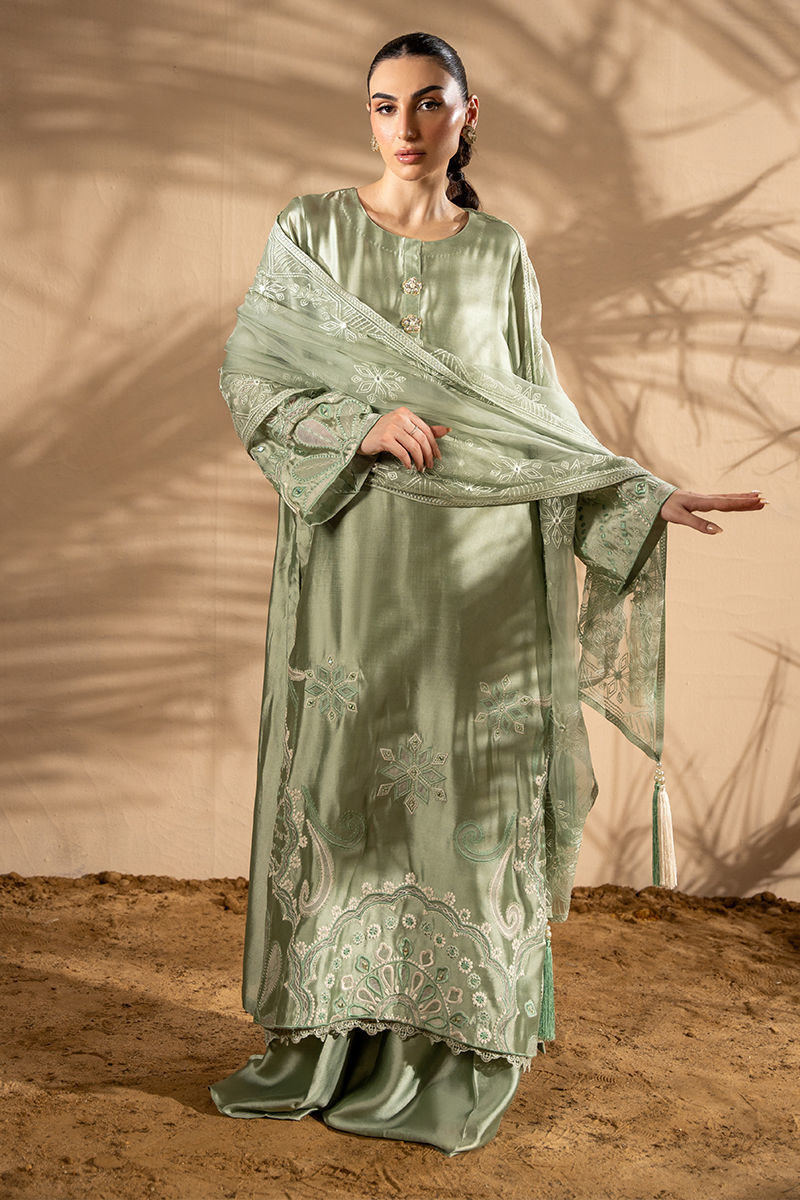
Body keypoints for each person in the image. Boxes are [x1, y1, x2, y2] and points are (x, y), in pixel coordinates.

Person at [208, 31, 766, 1155]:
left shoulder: (499, 252)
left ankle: (456, 1036)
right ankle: (331, 1028)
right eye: (383, 106)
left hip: (483, 575)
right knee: (344, 783)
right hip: (355, 565)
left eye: (427, 104)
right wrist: (356, 423)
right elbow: (251, 378)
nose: (404, 128)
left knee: (468, 790)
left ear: (469, 114)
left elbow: (536, 420)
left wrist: (639, 492)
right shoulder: (310, 233)